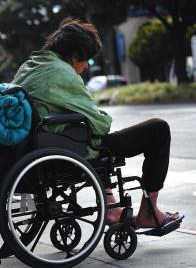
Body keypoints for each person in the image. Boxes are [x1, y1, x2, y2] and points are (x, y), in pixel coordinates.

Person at [11, 17, 179, 228]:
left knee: (89, 137)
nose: (84, 68)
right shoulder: (62, 73)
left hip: (32, 151)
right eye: (85, 61)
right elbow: (101, 124)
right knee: (158, 129)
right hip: (63, 153)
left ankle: (111, 208)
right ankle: (149, 211)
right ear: (74, 56)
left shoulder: (30, 66)